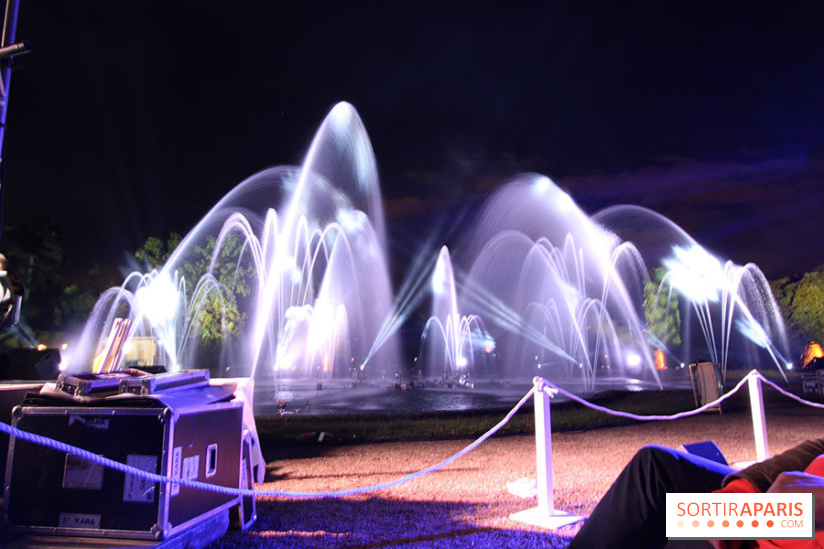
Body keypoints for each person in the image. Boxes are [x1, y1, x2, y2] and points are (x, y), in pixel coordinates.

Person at [567, 440, 824, 549]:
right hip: (775, 513)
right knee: (653, 469)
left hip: (788, 518)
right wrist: (740, 491)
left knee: (660, 523)